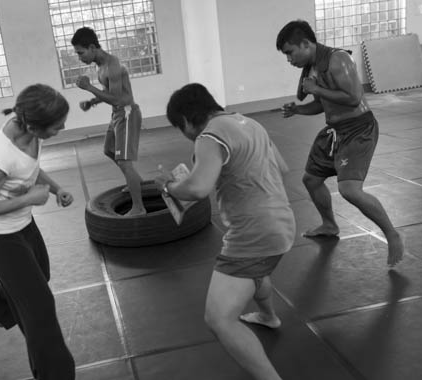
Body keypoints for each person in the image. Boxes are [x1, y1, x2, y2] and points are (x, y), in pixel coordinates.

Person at [156, 83, 295, 380]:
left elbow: (197, 188)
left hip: (253, 234)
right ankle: (268, 316)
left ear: (186, 120)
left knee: (219, 319)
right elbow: (281, 167)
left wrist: (169, 187)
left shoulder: (208, 135)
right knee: (256, 272)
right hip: (282, 223)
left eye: (180, 128)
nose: (186, 135)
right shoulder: (250, 123)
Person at [0, 84, 75, 380]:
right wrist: (27, 199)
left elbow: (31, 168)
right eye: (56, 126)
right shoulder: (0, 157)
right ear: (35, 125)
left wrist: (56, 189)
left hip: (23, 225)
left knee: (41, 279)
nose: (62, 128)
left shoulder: (30, 132)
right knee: (40, 310)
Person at [276, 20, 404, 266]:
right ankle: (329, 224)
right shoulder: (312, 67)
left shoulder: (338, 60)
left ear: (306, 44)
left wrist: (317, 89)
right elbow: (322, 104)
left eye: (290, 52)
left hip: (359, 129)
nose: (289, 59)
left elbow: (354, 98)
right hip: (335, 131)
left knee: (349, 190)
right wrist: (299, 110)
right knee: (311, 180)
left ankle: (391, 233)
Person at [71, 26, 146, 216]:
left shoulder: (112, 66)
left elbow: (117, 99)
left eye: (81, 53)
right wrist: (92, 102)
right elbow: (110, 92)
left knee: (124, 161)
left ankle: (138, 207)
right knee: (109, 150)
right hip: (117, 115)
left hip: (127, 113)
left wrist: (89, 88)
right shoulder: (100, 66)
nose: (80, 57)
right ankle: (135, 181)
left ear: (92, 47)